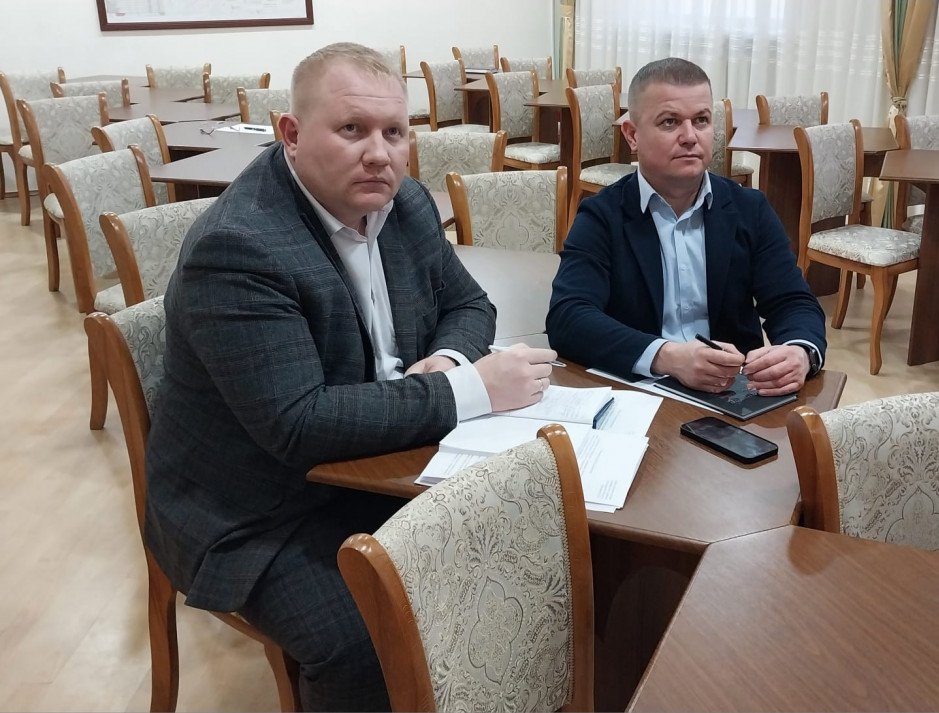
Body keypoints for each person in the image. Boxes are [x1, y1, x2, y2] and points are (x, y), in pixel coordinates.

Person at [143, 42, 556, 711]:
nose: (378, 154)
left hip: (383, 460)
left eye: (394, 132)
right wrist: (469, 389)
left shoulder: (404, 201)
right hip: (260, 508)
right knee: (366, 635)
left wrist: (448, 361)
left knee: (528, 537)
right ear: (291, 134)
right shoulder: (239, 246)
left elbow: (469, 304)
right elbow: (297, 424)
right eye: (352, 129)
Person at [546, 57, 826, 396]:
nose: (690, 137)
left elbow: (793, 302)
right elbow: (568, 317)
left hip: (732, 392)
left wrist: (800, 351)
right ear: (632, 135)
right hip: (639, 391)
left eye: (702, 120)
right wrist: (667, 357)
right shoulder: (603, 215)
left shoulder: (749, 209)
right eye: (670, 122)